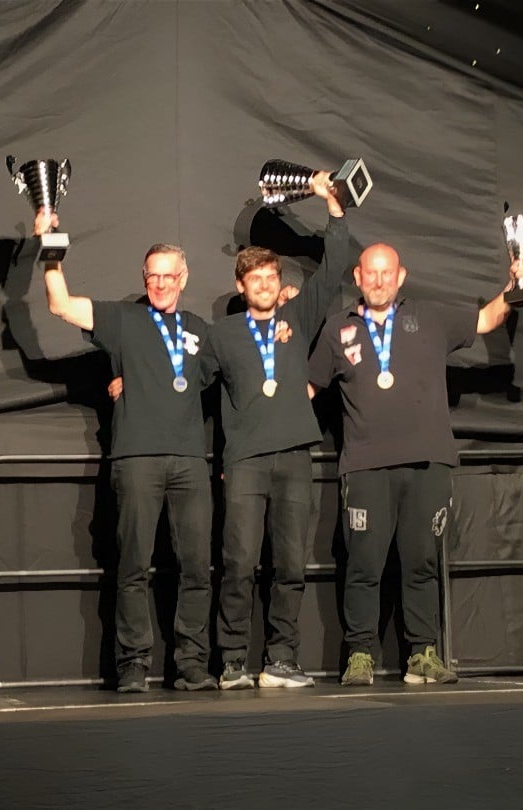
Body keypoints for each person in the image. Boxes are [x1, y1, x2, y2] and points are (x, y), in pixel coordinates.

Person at [307, 241, 523, 686]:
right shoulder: (338, 328)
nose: (378, 281)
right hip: (366, 466)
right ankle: (359, 654)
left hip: (428, 462)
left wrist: (515, 285)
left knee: (421, 562)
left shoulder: (430, 317)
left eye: (386, 273)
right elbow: (309, 388)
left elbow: (487, 319)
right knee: (363, 565)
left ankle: (422, 653)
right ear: (357, 277)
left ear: (401, 277)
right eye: (371, 273)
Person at [34, 209, 216, 693]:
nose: (161, 284)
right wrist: (51, 248)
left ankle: (192, 663)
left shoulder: (201, 330)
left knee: (196, 567)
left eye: (169, 276)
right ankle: (133, 663)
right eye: (153, 276)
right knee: (133, 565)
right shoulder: (122, 319)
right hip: (137, 458)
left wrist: (281, 321)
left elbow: (238, 365)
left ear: (183, 278)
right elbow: (59, 305)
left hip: (189, 461)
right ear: (144, 278)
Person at [204, 173, 348, 689]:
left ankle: (281, 658)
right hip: (245, 461)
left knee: (290, 564)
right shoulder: (221, 335)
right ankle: (232, 660)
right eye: (255, 279)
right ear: (241, 287)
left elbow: (333, 269)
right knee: (239, 563)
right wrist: (127, 377)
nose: (264, 285)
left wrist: (334, 210)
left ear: (279, 281)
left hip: (294, 457)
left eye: (270, 277)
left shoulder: (298, 317)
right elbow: (188, 385)